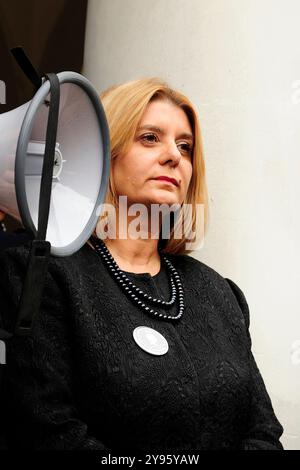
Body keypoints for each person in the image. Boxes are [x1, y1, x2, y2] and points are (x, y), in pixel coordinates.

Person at [0, 77, 284, 451]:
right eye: (150, 138)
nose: (175, 156)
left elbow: (263, 431)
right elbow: (50, 433)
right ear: (102, 150)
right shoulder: (40, 277)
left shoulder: (218, 292)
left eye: (185, 146)